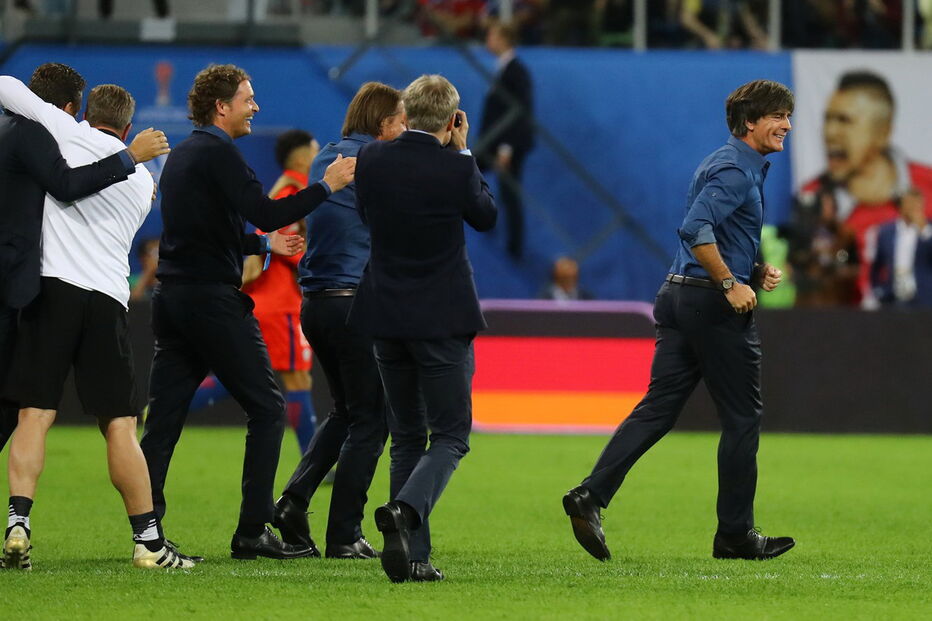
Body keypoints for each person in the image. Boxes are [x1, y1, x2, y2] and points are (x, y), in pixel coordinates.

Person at [563, 79, 796, 562]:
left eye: (788, 116)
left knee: (658, 408)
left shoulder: (722, 162)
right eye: (778, 116)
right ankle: (735, 534)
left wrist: (752, 270)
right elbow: (695, 230)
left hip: (679, 295)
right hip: (710, 303)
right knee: (742, 418)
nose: (787, 125)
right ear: (749, 122)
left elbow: (713, 234)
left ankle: (590, 495)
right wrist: (730, 283)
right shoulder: (736, 169)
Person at [139, 63, 355, 561]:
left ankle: (146, 530)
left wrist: (260, 244)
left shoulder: (185, 155)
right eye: (247, 98)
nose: (255, 106)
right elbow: (268, 211)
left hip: (173, 299)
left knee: (164, 420)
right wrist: (327, 186)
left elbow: (203, 232)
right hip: (211, 301)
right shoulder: (221, 154)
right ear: (222, 106)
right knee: (268, 407)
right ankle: (252, 529)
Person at [0, 76, 193, 570]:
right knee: (120, 425)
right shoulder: (145, 182)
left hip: (52, 292)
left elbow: (5, 85)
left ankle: (18, 524)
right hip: (106, 299)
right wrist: (131, 156)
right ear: (127, 127)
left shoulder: (65, 131)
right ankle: (148, 542)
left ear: (83, 113)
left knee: (34, 415)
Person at [351, 74, 496, 583]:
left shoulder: (371, 158)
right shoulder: (456, 167)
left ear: (407, 114)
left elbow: (365, 213)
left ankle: (413, 557)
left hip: (384, 313)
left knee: (407, 436)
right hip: (441, 319)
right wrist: (464, 152)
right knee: (451, 434)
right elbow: (486, 216)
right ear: (453, 120)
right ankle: (405, 511)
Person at [0, 62, 167, 456]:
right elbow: (67, 185)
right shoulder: (36, 132)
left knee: (19, 404)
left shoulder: (25, 131)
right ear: (71, 109)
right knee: (21, 403)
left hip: (30, 286)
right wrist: (130, 158)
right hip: (28, 287)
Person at [274, 82, 407, 560]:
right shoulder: (379, 161)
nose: (406, 130)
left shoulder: (325, 157)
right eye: (402, 122)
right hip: (355, 301)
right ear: (383, 124)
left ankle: (293, 502)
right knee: (372, 420)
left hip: (316, 303)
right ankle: (344, 532)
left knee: (347, 412)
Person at [791, 71, 932, 306]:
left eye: (844, 120)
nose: (830, 132)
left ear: (883, 131)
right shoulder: (814, 195)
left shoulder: (927, 184)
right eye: (828, 119)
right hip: (850, 316)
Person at [242, 129, 322, 454]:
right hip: (279, 302)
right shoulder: (291, 193)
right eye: (315, 150)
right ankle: (312, 460)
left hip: (270, 299)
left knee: (243, 376)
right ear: (301, 157)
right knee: (297, 379)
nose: (319, 156)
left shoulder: (290, 191)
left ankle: (164, 406)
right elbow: (289, 248)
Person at [479, 20, 534, 260]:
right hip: (493, 142)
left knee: (510, 194)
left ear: (503, 39)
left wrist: (506, 148)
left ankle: (515, 248)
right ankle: (484, 221)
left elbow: (519, 112)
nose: (487, 40)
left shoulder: (516, 72)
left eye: (491, 36)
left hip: (505, 144)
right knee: (470, 174)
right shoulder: (503, 69)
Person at [868, 187, 932, 308]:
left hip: (925, 299)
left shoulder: (928, 230)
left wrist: (924, 231)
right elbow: (876, 265)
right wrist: (878, 290)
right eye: (910, 203)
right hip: (893, 298)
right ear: (901, 205)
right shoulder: (886, 232)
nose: (914, 208)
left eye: (918, 204)